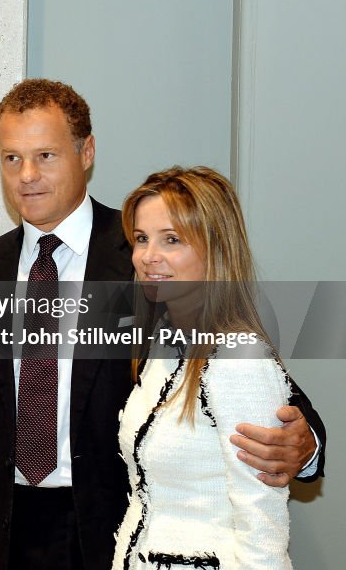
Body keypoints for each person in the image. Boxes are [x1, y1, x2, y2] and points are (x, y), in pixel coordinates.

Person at [0, 79, 323, 570]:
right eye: (12, 158)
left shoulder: (149, 258)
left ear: (86, 152)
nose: (27, 175)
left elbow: (245, 362)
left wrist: (306, 444)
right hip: (0, 533)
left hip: (113, 532)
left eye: (46, 155)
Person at [112, 166, 293, 568]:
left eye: (171, 240)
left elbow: (262, 522)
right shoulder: (161, 348)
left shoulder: (240, 358)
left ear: (217, 249)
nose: (148, 256)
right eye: (141, 239)